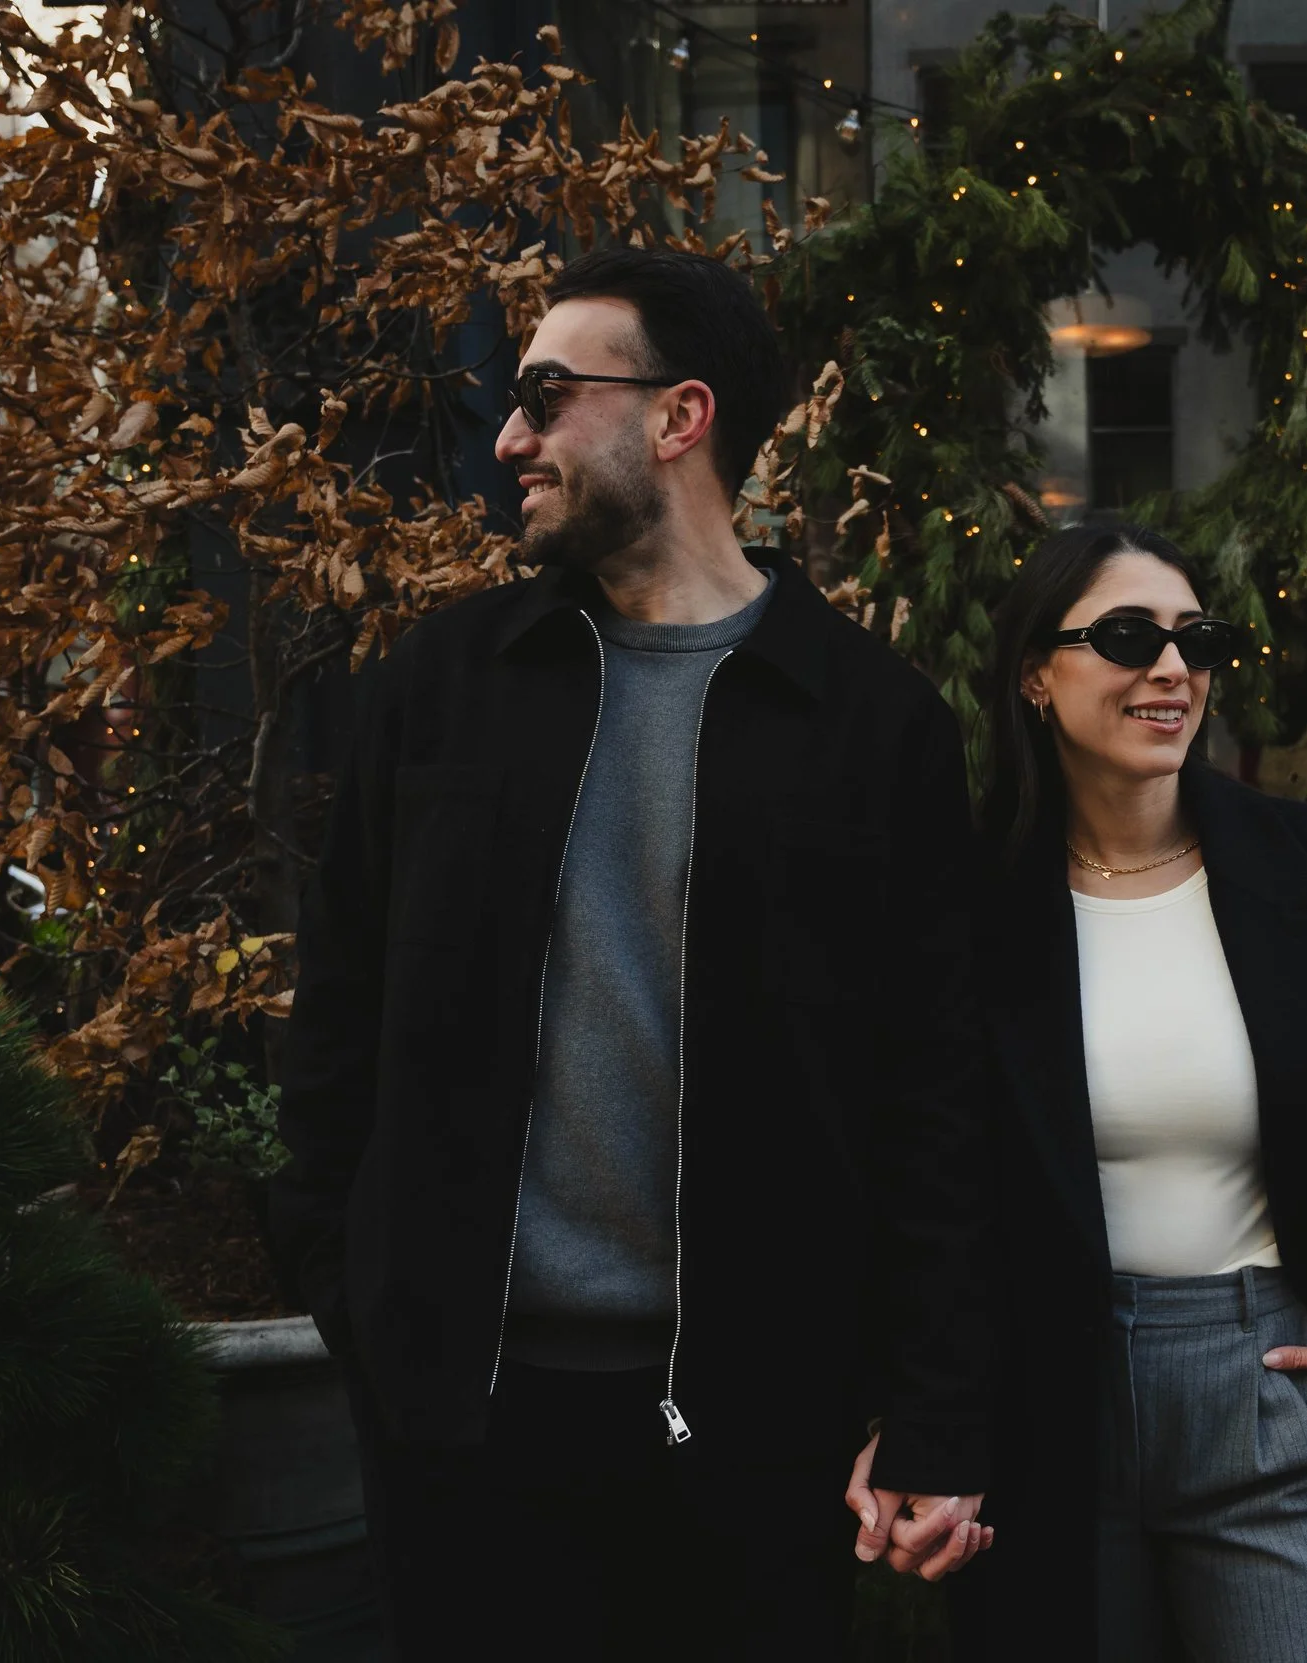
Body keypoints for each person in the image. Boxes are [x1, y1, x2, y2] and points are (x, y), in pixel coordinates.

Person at [271, 246, 993, 1660]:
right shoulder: (443, 684)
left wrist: (934, 1404)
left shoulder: (870, 721)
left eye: (546, 395)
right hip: (461, 1418)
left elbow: (934, 1097)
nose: (509, 436)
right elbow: (338, 1014)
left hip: (755, 1424)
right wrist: (353, 1290)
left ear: (680, 417)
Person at [956, 523, 1307, 1662]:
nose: (1172, 669)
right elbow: (926, 1181)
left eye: (1196, 641)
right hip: (1048, 1400)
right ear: (1036, 676)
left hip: (1267, 1385)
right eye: (1130, 636)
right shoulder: (971, 901)